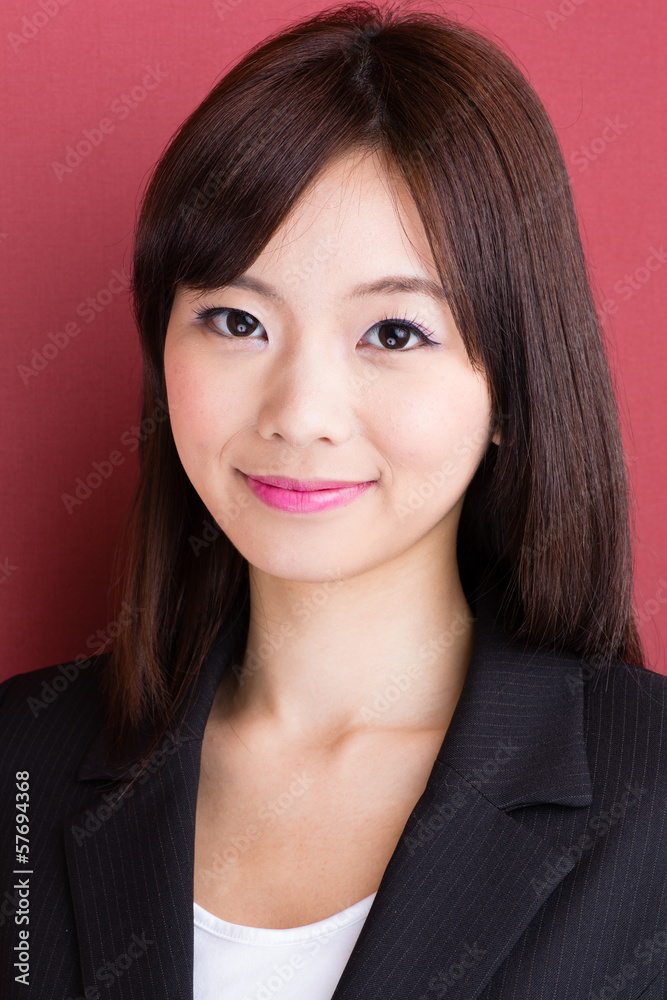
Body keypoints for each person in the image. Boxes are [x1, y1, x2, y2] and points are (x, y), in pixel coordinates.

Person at [2, 3, 666, 998]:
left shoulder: (647, 793)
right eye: (235, 319)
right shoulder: (22, 756)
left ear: (511, 388)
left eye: (393, 333)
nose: (300, 413)